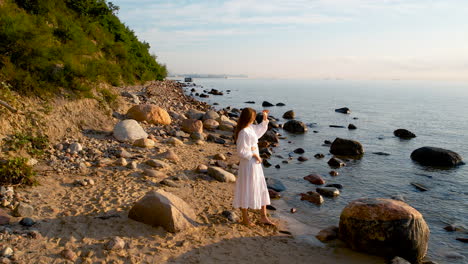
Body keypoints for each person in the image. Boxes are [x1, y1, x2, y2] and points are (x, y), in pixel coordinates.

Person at [233, 107, 275, 226]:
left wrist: (265, 118)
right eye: (254, 117)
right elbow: (241, 151)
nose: (255, 119)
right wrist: (254, 154)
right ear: (250, 118)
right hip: (248, 164)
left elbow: (259, 130)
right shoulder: (243, 132)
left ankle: (263, 216)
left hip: (255, 164)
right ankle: (245, 219)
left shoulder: (250, 128)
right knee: (246, 188)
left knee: (261, 187)